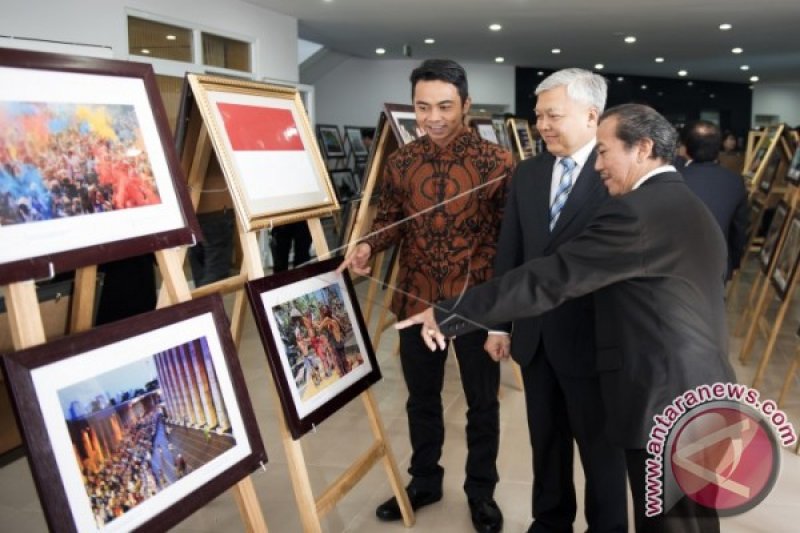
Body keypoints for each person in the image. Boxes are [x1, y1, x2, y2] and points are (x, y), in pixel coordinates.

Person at [399, 103, 736, 533]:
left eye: (603, 152)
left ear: (643, 148)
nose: (596, 166)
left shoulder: (636, 212)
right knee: (690, 520)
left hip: (662, 395)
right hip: (698, 388)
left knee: (671, 524)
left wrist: (448, 313)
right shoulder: (688, 201)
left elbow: (550, 277)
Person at [339, 58, 513, 533]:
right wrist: (368, 246)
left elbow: (506, 242)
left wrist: (495, 311)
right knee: (421, 399)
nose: (433, 117)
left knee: (482, 404)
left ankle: (481, 492)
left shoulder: (498, 162)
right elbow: (389, 220)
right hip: (415, 300)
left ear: (466, 104)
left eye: (444, 106)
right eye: (422, 107)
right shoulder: (401, 160)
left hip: (474, 302)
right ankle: (424, 482)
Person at [485, 68, 627, 533]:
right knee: (545, 441)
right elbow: (513, 249)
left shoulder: (616, 174)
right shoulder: (528, 171)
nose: (542, 124)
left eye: (553, 114)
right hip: (534, 336)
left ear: (591, 115)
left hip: (593, 339)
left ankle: (605, 526)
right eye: (539, 114)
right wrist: (499, 323)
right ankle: (550, 521)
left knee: (599, 447)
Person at [681, 120, 749, 280]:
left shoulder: (671, 178)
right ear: (719, 147)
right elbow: (739, 229)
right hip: (718, 266)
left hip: (675, 270)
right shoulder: (734, 181)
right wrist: (735, 262)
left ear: (686, 148)